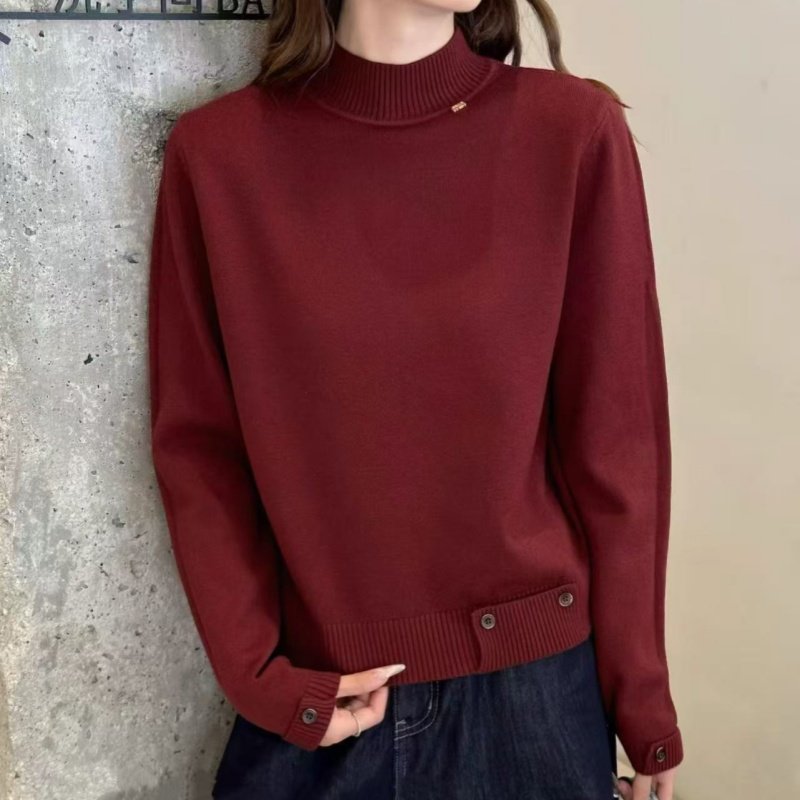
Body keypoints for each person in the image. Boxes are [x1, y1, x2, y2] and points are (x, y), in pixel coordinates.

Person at [146, 2, 684, 799]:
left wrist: (641, 701)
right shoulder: (220, 156)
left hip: (534, 705)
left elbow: (617, 442)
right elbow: (199, 450)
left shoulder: (569, 133)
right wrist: (261, 678)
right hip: (327, 705)